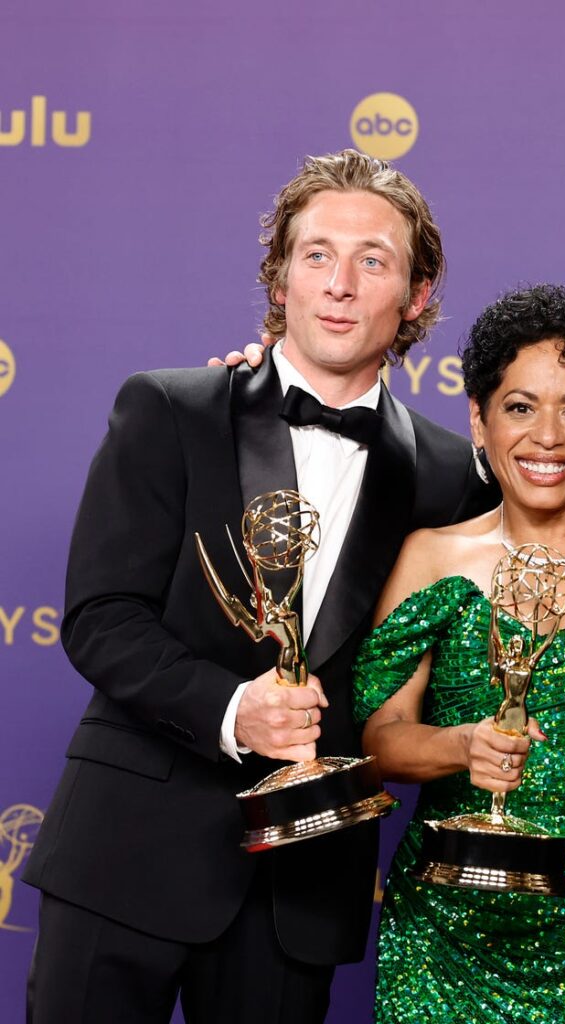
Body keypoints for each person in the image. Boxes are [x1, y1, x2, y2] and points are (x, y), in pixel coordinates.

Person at [23, 150, 491, 1023]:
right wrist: (235, 709)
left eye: (373, 260)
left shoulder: (450, 475)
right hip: (126, 853)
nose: (340, 285)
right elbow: (100, 619)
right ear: (280, 278)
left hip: (298, 894)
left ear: (419, 295)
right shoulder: (172, 408)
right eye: (316, 255)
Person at [351, 284, 565, 1023]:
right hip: (447, 948)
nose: (548, 437)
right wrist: (459, 746)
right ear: (479, 418)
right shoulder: (431, 558)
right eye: (520, 407)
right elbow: (378, 739)